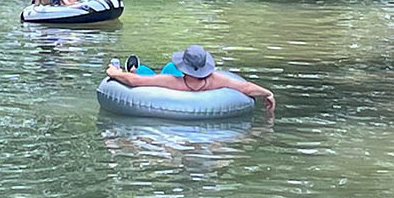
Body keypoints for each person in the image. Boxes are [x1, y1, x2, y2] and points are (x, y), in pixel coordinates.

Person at [105, 44, 276, 114]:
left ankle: (134, 68)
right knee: (164, 71)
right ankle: (135, 68)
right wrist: (268, 93)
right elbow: (245, 88)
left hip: (171, 79)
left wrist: (115, 72)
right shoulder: (215, 80)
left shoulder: (173, 82)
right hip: (192, 81)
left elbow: (135, 82)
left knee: (149, 73)